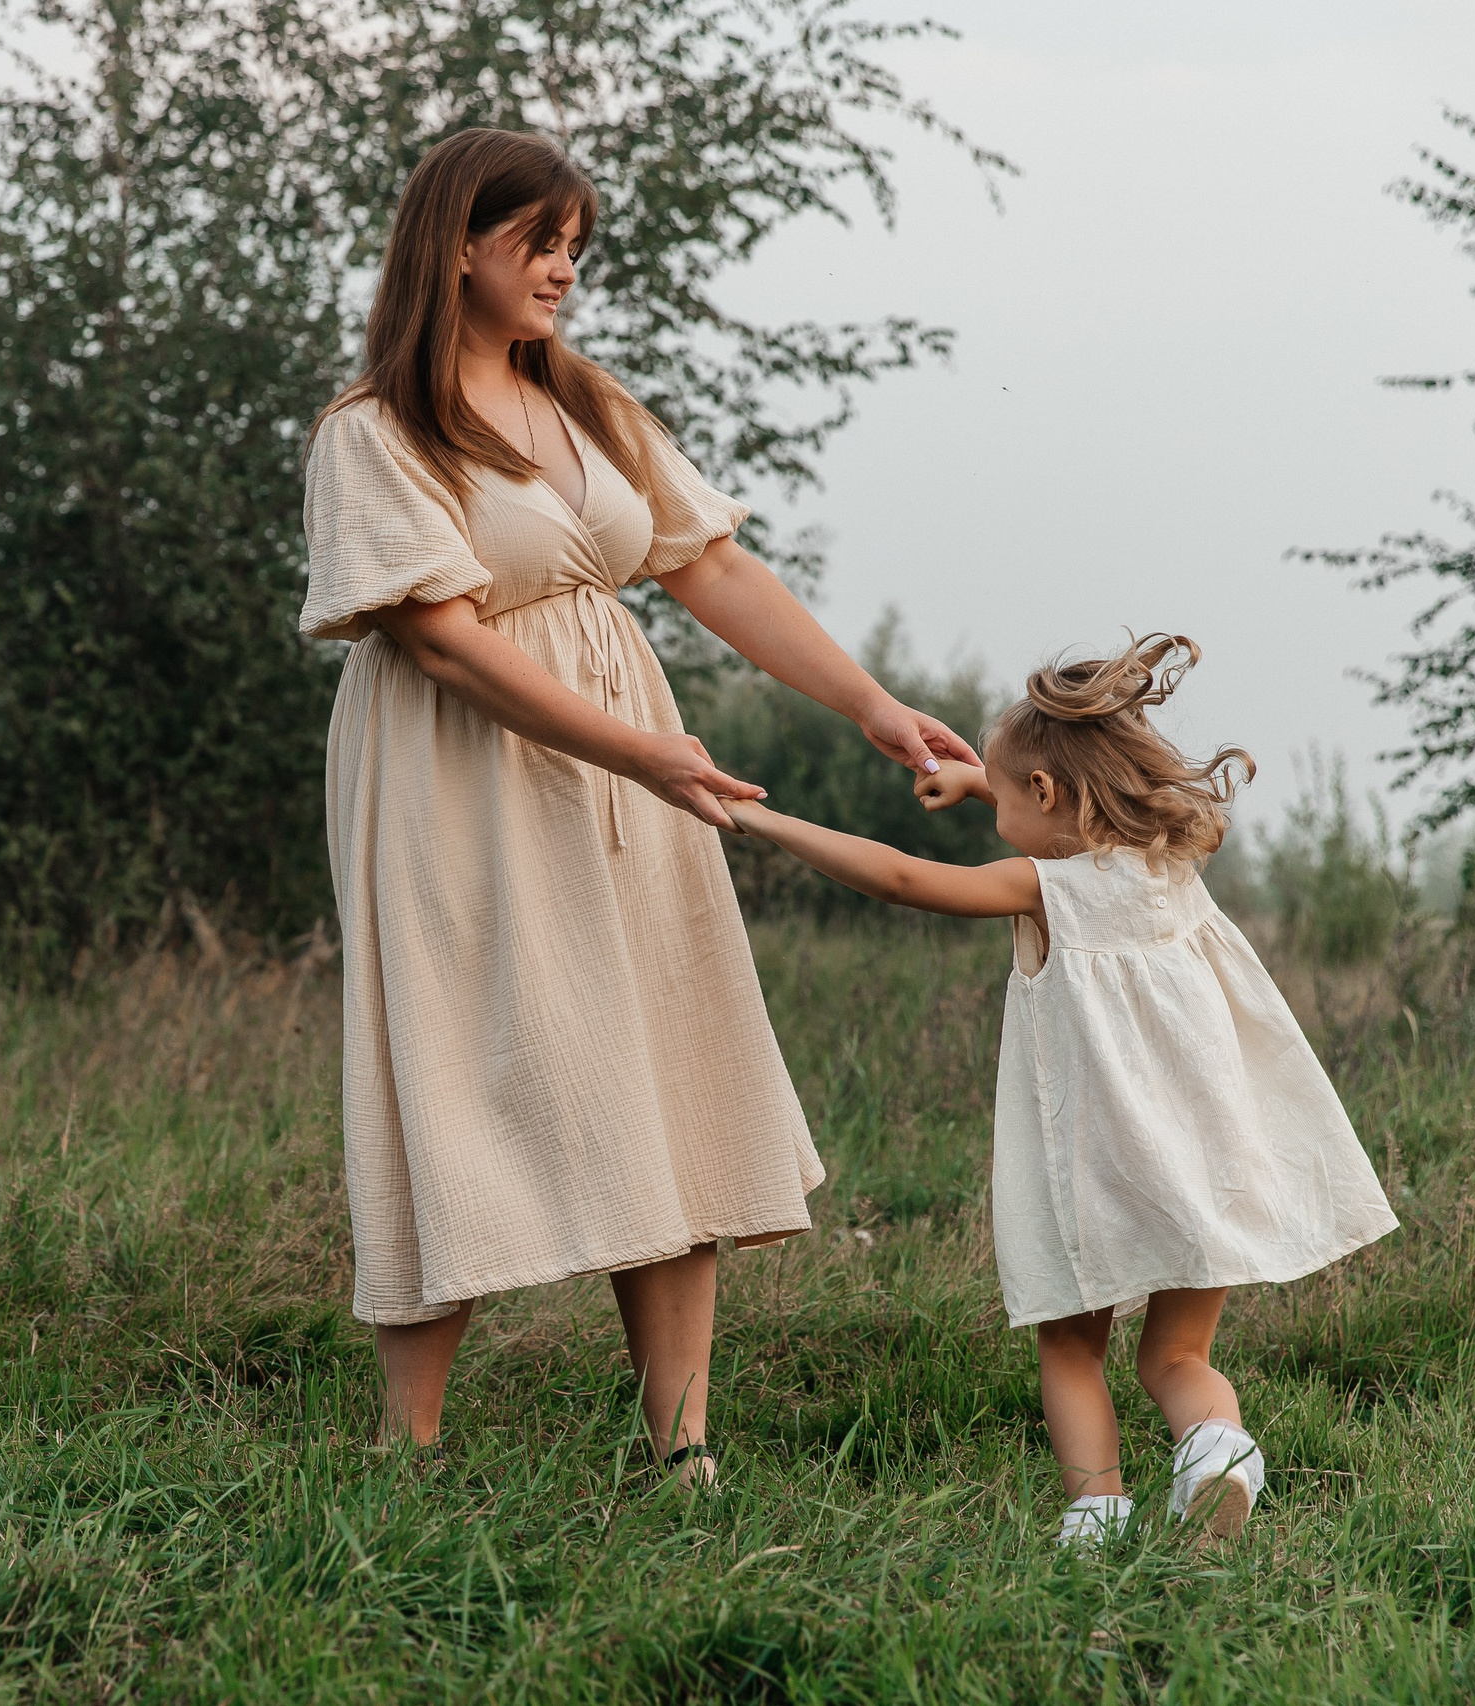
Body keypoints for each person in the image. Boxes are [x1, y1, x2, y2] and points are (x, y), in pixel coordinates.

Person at [301, 127, 979, 1482]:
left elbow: (712, 568)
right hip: (460, 775)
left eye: (573, 247)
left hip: (625, 763)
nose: (561, 270)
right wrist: (633, 751)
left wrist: (869, 703)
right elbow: (438, 637)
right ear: (457, 248)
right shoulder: (374, 432)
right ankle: (409, 1452)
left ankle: (682, 1451)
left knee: (670, 1054)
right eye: (537, 243)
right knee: (463, 1058)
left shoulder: (592, 403)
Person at [720, 634, 1398, 1546]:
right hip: (1205, 1161)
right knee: (1179, 1355)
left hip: (1096, 1171)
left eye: (1003, 795)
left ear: (1043, 794)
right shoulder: (1170, 869)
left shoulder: (1039, 891)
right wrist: (981, 783)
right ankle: (1217, 1451)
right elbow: (1072, 834)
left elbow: (902, 877)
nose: (994, 808)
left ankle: (1096, 1513)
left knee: (1073, 1347)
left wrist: (760, 821)